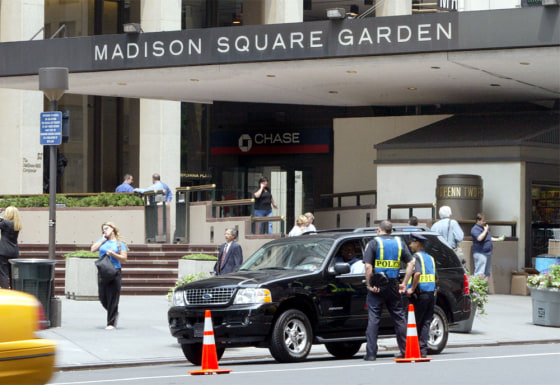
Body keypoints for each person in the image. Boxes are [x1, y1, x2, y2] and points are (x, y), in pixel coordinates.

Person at [363, 220, 415, 361]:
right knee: (399, 317)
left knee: (374, 318)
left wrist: (369, 284)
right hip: (393, 284)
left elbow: (368, 267)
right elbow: (411, 263)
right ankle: (405, 350)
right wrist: (404, 283)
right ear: (391, 231)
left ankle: (371, 353)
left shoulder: (374, 243)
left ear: (379, 230)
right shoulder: (400, 243)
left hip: (378, 285)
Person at [91, 221, 128, 330]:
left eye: (106, 228)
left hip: (115, 271)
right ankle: (114, 312)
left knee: (113, 297)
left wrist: (113, 254)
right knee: (103, 297)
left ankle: (110, 322)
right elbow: (93, 249)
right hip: (103, 271)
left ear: (112, 229)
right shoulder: (102, 241)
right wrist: (102, 240)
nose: (105, 231)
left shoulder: (119, 243)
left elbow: (124, 259)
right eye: (103, 229)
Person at [406, 233, 436, 358]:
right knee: (426, 322)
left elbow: (417, 273)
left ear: (417, 243)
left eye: (411, 242)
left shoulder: (416, 257)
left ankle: (414, 349)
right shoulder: (430, 258)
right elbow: (436, 278)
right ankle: (423, 350)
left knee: (416, 322)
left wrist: (412, 288)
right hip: (431, 294)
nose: (410, 245)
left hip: (420, 294)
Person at [470, 213, 504, 277]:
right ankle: (478, 286)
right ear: (478, 220)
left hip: (488, 253)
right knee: (480, 273)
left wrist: (497, 239)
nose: (484, 222)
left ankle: (486, 286)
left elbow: (488, 238)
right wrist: (485, 230)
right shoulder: (475, 229)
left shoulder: (484, 228)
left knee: (487, 273)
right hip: (480, 253)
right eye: (483, 221)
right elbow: (479, 238)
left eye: (485, 221)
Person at [0, 207, 22, 289]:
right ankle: (14, 290)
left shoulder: (5, 223)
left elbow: (3, 223)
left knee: (3, 273)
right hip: (14, 251)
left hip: (3, 251)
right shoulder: (17, 224)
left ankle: (6, 291)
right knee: (13, 274)